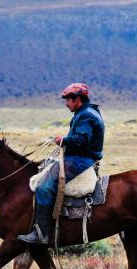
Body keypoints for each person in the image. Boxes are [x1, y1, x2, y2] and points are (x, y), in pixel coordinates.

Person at [18, 83, 105, 244]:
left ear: (78, 99)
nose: (66, 104)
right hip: (81, 156)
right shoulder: (87, 112)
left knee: (44, 186)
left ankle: (42, 233)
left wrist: (63, 140)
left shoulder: (85, 115)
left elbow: (81, 141)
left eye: (68, 100)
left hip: (81, 159)